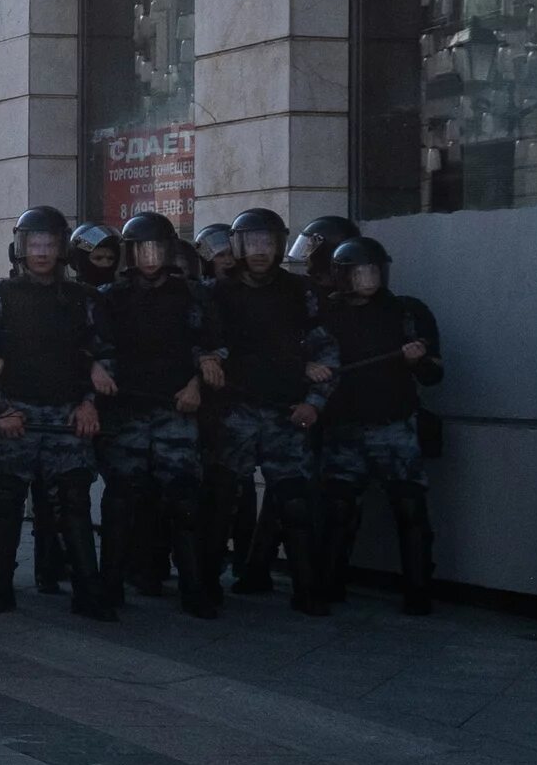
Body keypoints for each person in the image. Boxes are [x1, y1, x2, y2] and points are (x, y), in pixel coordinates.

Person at [0, 207, 104, 617]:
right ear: (21, 247)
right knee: (6, 504)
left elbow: (105, 354)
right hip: (17, 416)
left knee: (74, 506)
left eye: (49, 244)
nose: (42, 252)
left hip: (68, 415)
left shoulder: (83, 299)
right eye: (34, 244)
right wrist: (1, 411)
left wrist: (90, 403)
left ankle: (89, 593)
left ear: (61, 247)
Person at [206, 206, 336, 611]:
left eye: (268, 242)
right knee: (220, 500)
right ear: (238, 246)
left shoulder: (301, 292)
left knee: (295, 503)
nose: (260, 251)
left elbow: (327, 351)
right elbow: (200, 341)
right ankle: (205, 586)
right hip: (235, 410)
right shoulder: (217, 292)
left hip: (286, 410)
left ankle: (308, 591)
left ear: (279, 245)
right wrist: (207, 360)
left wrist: (314, 403)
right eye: (252, 242)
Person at [91, 212, 217, 616]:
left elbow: (212, 343)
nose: (149, 257)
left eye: (157, 249)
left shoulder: (193, 294)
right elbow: (90, 343)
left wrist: (197, 384)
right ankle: (110, 589)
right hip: (126, 411)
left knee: (184, 502)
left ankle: (194, 590)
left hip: (174, 409)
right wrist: (95, 368)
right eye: (141, 249)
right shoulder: (110, 296)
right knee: (121, 503)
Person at [316, 236, 444, 614]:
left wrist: (418, 360)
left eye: (373, 270)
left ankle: (419, 593)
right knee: (338, 510)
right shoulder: (325, 313)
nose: (367, 278)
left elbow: (435, 373)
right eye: (358, 271)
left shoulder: (406, 312)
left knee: (410, 507)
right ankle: (328, 586)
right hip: (343, 427)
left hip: (394, 424)